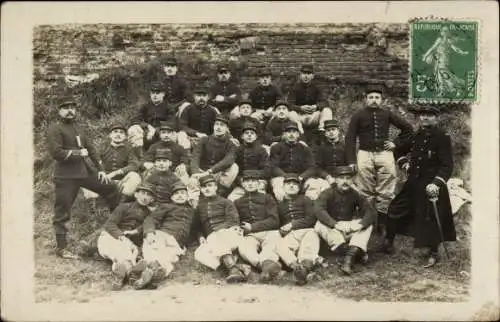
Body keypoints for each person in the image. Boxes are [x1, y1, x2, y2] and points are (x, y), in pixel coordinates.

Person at [383, 106, 456, 268]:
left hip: (431, 186)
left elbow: (447, 165)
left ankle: (433, 253)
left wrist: (436, 183)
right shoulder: (416, 136)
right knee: (395, 208)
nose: (425, 118)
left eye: (429, 115)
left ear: (436, 118)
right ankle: (388, 241)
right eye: (422, 115)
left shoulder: (442, 137)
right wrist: (404, 163)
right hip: (414, 182)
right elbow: (399, 150)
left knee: (430, 218)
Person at [46, 100, 120, 259]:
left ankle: (115, 228)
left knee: (111, 188)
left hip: (84, 173)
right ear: (59, 111)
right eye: (65, 108)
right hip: (65, 177)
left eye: (72, 108)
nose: (70, 111)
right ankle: (62, 248)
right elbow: (56, 152)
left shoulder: (79, 128)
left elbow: (91, 150)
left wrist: (101, 171)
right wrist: (79, 154)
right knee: (62, 212)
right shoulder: (55, 129)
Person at [345, 84, 413, 235]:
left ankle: (382, 222)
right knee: (364, 186)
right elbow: (350, 138)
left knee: (388, 184)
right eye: (371, 97)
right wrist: (351, 160)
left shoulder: (387, 113)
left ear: (382, 100)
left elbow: (408, 129)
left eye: (377, 97)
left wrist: (396, 143)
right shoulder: (358, 115)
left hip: (384, 153)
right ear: (366, 99)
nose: (374, 100)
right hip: (364, 153)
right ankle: (368, 220)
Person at [314, 166, 377, 275]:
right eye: (341, 178)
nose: (345, 181)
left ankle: (348, 259)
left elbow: (370, 211)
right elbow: (319, 210)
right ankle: (355, 253)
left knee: (367, 225)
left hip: (347, 227)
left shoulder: (355, 193)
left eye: (348, 178)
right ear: (336, 180)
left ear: (352, 180)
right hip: (333, 228)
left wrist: (361, 225)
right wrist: (334, 224)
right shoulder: (327, 193)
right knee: (319, 224)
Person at [134, 182, 195, 290]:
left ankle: (152, 273)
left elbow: (197, 229)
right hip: (162, 235)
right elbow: (150, 219)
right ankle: (151, 268)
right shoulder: (166, 207)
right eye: (176, 194)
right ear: (171, 197)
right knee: (154, 246)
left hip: (177, 243)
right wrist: (149, 233)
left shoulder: (192, 211)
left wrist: (190, 242)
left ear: (187, 196)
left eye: (182, 193)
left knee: (171, 259)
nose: (180, 195)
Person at [96, 183, 156, 290]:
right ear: (136, 194)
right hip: (112, 237)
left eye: (148, 195)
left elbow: (148, 227)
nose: (145, 197)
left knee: (130, 252)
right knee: (119, 249)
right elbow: (110, 224)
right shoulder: (124, 207)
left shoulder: (149, 215)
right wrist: (122, 237)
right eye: (142, 193)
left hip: (130, 245)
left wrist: (136, 232)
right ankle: (129, 274)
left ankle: (124, 275)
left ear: (152, 199)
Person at [194, 174, 250, 283]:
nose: (207, 188)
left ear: (216, 187)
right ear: (201, 189)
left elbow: (233, 220)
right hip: (212, 238)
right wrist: (200, 236)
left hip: (230, 233)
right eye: (204, 187)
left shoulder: (226, 202)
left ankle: (233, 270)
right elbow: (198, 226)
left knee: (218, 238)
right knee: (199, 254)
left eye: (210, 185)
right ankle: (238, 267)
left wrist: (218, 230)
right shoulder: (200, 206)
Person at [234, 170, 282, 282]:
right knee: (244, 248)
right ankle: (266, 268)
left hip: (269, 232)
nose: (250, 184)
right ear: (242, 184)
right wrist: (241, 228)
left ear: (258, 184)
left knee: (271, 247)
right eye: (247, 181)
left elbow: (275, 221)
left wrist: (253, 227)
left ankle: (264, 270)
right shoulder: (237, 202)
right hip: (250, 235)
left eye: (253, 181)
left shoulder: (267, 198)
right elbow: (236, 222)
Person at [275, 174, 320, 286]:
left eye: (294, 184)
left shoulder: (305, 199)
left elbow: (311, 219)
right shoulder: (280, 205)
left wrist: (293, 224)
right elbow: (278, 223)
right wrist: (282, 230)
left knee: (310, 242)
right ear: (283, 187)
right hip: (291, 234)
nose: (291, 186)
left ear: (299, 188)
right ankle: (296, 267)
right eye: (288, 184)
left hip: (307, 230)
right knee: (280, 245)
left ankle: (304, 268)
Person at [190, 115, 239, 198]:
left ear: (227, 129)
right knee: (192, 184)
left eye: (222, 125)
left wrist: (210, 171)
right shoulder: (204, 140)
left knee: (234, 167)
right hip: (201, 172)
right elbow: (195, 157)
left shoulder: (230, 144)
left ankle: (219, 193)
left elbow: (228, 160)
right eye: (216, 124)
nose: (218, 127)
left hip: (217, 174)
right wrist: (195, 173)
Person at [269, 122, 316, 202]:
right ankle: (285, 210)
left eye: (294, 132)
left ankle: (309, 210)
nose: (291, 134)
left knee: (313, 185)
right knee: (278, 186)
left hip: (300, 177)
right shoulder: (276, 147)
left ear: (298, 135)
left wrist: (302, 177)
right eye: (288, 132)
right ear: (284, 134)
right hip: (281, 176)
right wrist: (285, 176)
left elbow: (312, 167)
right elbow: (273, 167)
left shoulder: (305, 149)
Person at [421, 26, 470, 98]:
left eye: (446, 31)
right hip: (438, 58)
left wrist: (462, 52)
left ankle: (456, 88)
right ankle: (446, 90)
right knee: (440, 75)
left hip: (444, 59)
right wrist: (426, 55)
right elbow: (433, 48)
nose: (445, 33)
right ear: (441, 32)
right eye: (444, 31)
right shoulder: (439, 40)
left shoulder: (449, 40)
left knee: (443, 74)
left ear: (448, 33)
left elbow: (455, 48)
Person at [128, 82, 178, 151]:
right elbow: (135, 119)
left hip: (162, 132)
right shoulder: (145, 106)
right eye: (153, 93)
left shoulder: (169, 107)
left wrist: (157, 130)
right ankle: (139, 156)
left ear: (163, 94)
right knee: (133, 129)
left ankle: (167, 155)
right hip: (147, 132)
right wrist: (147, 126)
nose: (155, 95)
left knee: (173, 134)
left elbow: (172, 123)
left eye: (157, 93)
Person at [305, 119, 348, 200]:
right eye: (328, 130)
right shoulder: (321, 149)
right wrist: (327, 177)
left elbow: (350, 163)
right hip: (327, 179)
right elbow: (317, 168)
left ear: (338, 131)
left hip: (344, 177)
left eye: (333, 130)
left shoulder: (345, 147)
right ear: (325, 133)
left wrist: (342, 176)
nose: (331, 132)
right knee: (319, 193)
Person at [98, 122, 142, 200]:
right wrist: (101, 171)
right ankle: (96, 201)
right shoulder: (103, 147)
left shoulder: (128, 149)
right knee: (87, 174)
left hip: (121, 182)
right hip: (104, 180)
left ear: (125, 137)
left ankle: (122, 199)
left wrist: (117, 172)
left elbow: (134, 164)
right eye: (115, 132)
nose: (118, 134)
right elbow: (92, 161)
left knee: (134, 176)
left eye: (121, 133)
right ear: (110, 135)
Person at [227, 122, 270, 202]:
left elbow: (266, 170)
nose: (249, 135)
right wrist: (241, 181)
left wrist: (251, 177)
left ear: (256, 137)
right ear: (242, 136)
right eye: (246, 133)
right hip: (243, 182)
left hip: (259, 181)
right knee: (231, 199)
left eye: (252, 133)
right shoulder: (238, 150)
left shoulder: (262, 150)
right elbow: (235, 171)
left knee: (261, 201)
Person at [288, 64, 333, 132]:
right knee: (290, 113)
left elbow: (325, 102)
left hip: (313, 116)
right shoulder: (294, 88)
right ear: (300, 75)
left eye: (308, 74)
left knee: (327, 110)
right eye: (304, 73)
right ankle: (299, 129)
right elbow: (289, 104)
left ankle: (323, 130)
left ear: (312, 76)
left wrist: (316, 106)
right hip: (300, 117)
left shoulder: (317, 88)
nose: (306, 76)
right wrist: (300, 108)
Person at [143, 121, 190, 186]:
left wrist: (183, 165)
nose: (166, 135)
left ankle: (183, 192)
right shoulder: (154, 147)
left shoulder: (179, 148)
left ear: (173, 134)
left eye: (169, 132)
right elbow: (147, 160)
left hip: (174, 173)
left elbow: (185, 161)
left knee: (184, 174)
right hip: (157, 172)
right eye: (163, 132)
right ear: (159, 134)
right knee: (148, 173)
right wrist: (148, 164)